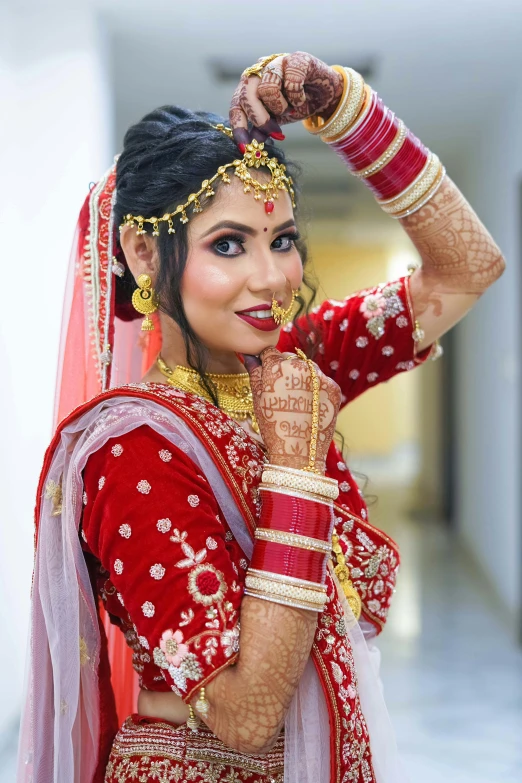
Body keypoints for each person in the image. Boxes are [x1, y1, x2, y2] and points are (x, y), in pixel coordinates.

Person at [18, 52, 505, 783]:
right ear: (145, 252)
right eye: (226, 244)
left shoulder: (295, 369)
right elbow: (246, 715)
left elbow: (467, 268)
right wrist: (298, 469)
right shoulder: (131, 450)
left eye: (280, 240)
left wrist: (348, 110)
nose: (271, 278)